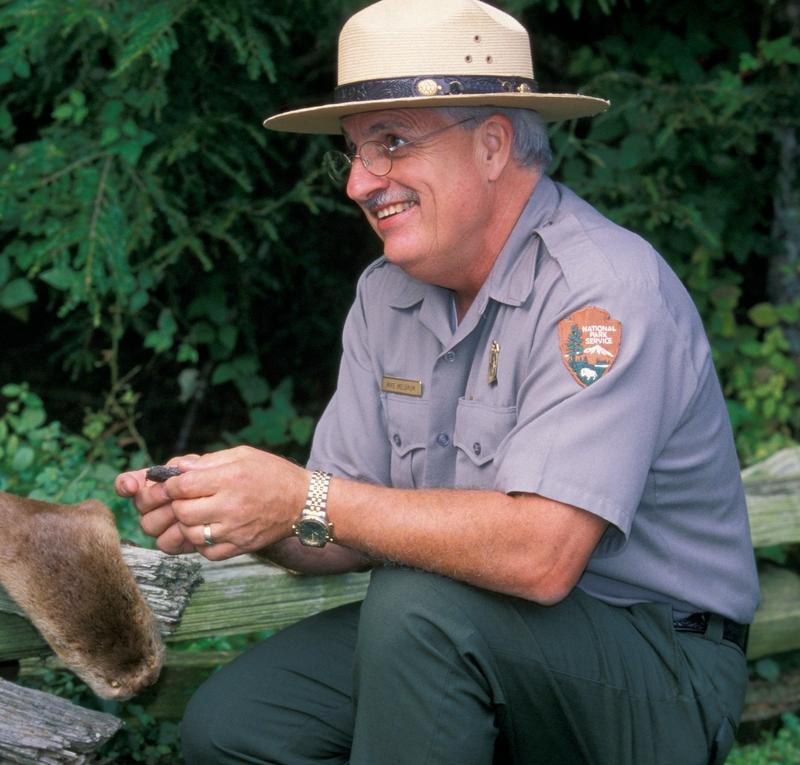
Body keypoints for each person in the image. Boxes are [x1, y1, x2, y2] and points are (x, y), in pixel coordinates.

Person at [115, 1, 760, 763]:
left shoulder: (602, 291)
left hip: (659, 668)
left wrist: (305, 497)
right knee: (240, 721)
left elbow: (542, 557)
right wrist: (242, 512)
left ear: (492, 145)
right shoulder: (385, 294)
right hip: (465, 633)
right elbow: (341, 528)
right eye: (353, 152)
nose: (359, 182)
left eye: (390, 144)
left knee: (418, 607)